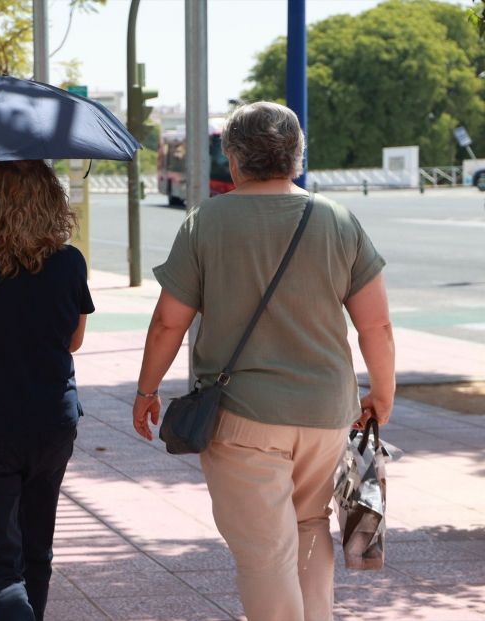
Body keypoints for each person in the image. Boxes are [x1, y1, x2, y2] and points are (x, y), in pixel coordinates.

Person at [132, 102, 394, 621]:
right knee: (309, 529)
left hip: (243, 418)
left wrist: (146, 391)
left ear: (233, 157)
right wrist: (381, 395)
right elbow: (375, 326)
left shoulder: (205, 222)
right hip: (326, 415)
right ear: (296, 155)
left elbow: (168, 322)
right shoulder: (339, 220)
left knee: (264, 554)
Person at [0, 160, 94, 621]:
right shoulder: (69, 262)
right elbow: (73, 341)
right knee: (37, 552)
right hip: (50, 422)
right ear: (52, 205)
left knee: (0, 560)